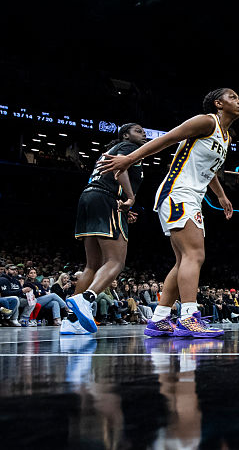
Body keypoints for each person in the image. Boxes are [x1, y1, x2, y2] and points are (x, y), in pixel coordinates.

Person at [98, 88, 239, 338]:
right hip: (178, 192)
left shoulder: (226, 137)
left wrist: (220, 194)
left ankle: (159, 318)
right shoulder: (205, 121)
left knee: (183, 260)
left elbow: (210, 169)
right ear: (218, 103)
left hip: (191, 196)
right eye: (233, 97)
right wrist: (129, 159)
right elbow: (166, 140)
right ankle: (188, 317)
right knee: (195, 255)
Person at [63, 123, 147, 335]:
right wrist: (130, 198)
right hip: (105, 199)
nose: (143, 133)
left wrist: (124, 207)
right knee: (116, 261)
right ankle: (87, 298)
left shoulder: (111, 150)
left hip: (89, 197)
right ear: (125, 135)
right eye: (138, 130)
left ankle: (71, 320)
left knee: (92, 264)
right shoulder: (128, 148)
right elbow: (120, 171)